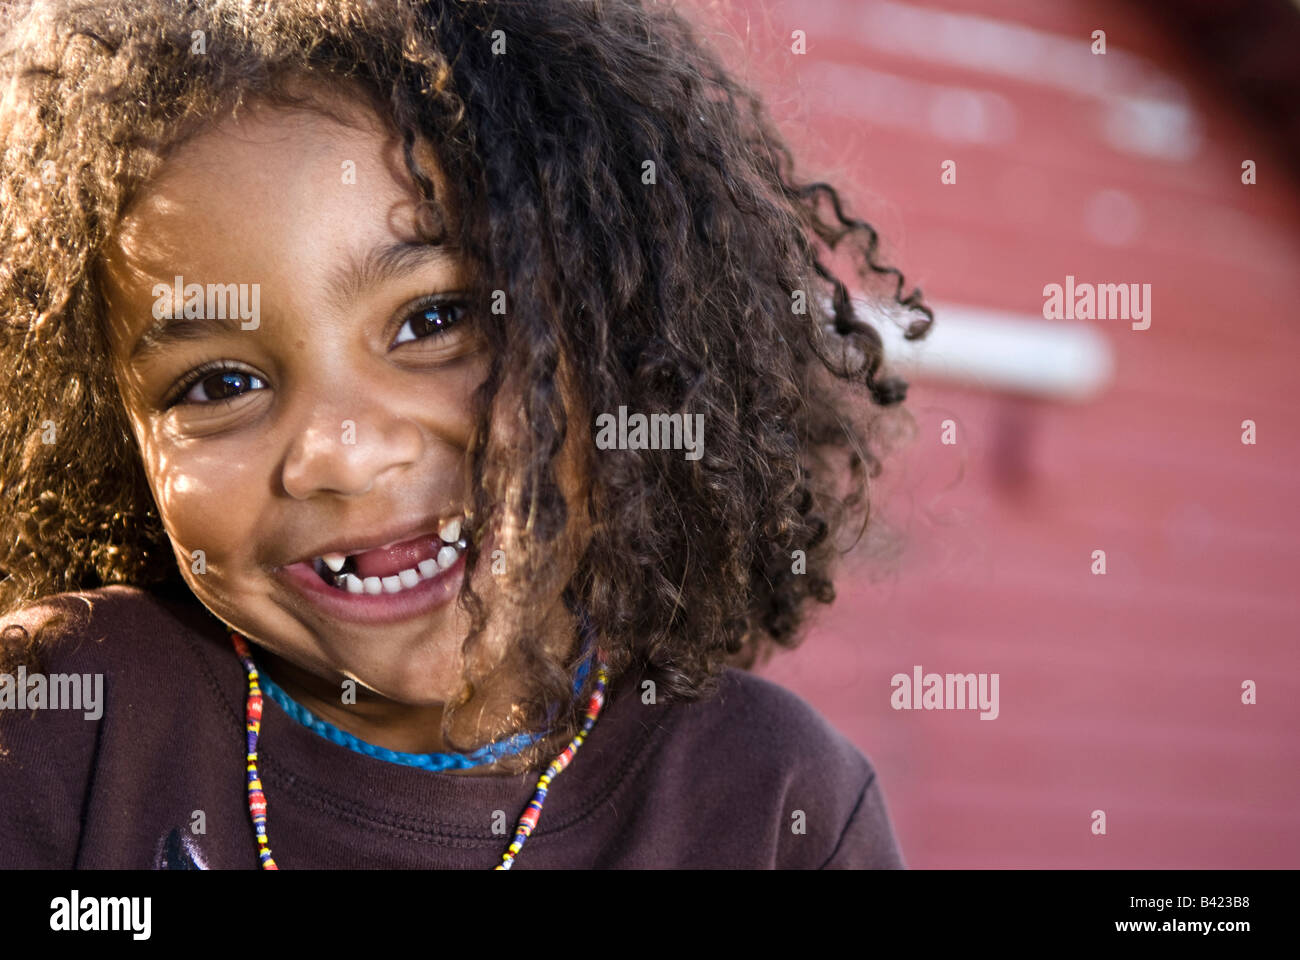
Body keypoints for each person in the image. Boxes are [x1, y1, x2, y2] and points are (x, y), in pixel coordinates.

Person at [0, 0, 931, 869]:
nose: (341, 453)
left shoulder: (771, 801)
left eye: (434, 319)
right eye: (220, 384)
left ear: (620, 330)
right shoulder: (64, 718)